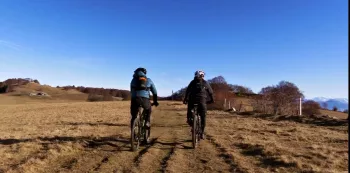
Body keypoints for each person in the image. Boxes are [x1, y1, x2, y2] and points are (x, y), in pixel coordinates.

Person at [183, 70, 214, 139]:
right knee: (203, 117)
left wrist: (185, 99)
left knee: (189, 111)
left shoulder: (192, 82)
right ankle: (202, 133)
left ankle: (190, 120)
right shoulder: (205, 83)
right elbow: (211, 92)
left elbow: (187, 91)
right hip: (202, 101)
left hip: (192, 101)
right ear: (202, 76)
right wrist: (212, 100)